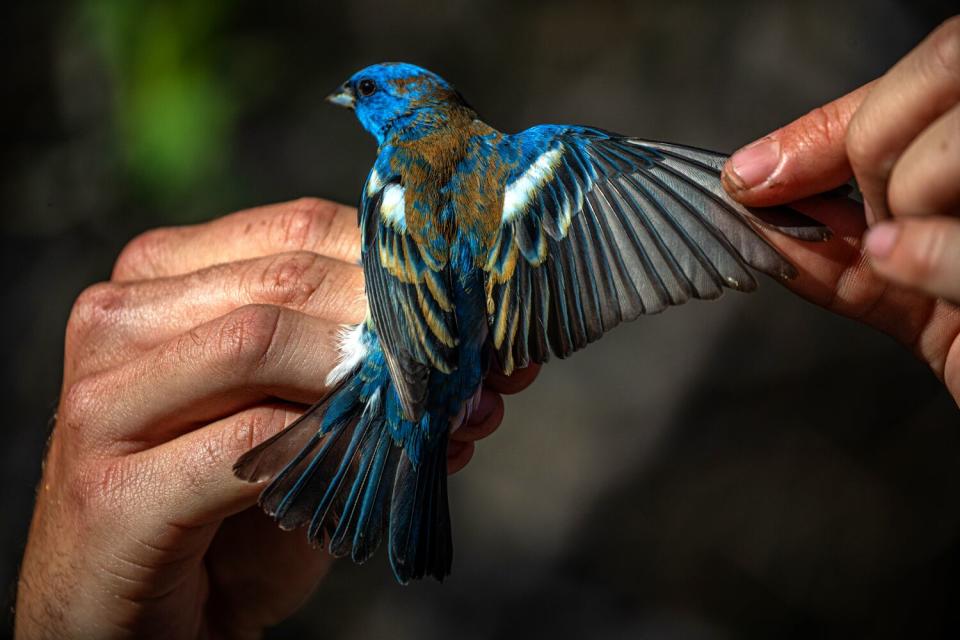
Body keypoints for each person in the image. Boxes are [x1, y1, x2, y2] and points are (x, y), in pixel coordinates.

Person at [15, 16, 959, 640]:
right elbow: (644, 196)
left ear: (402, 107)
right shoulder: (540, 165)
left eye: (369, 92)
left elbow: (392, 287)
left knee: (392, 410)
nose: (357, 101)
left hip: (404, 379)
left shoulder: (393, 179)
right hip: (449, 373)